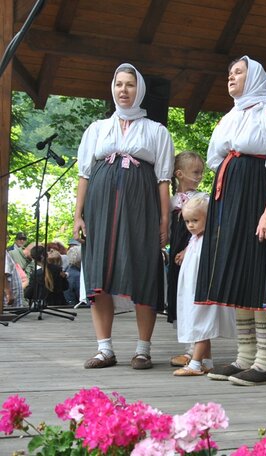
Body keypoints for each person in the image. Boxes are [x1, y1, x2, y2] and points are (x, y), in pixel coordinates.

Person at [195, 56, 266, 387]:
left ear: (254, 78)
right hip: (231, 199)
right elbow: (215, 159)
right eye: (229, 73)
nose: (231, 77)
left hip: (256, 196)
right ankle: (244, 357)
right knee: (237, 274)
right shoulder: (231, 116)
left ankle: (265, 362)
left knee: (256, 275)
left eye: (239, 72)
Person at [74, 63, 175, 370]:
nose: (123, 90)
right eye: (119, 84)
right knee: (99, 273)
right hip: (100, 208)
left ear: (139, 89)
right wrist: (78, 215)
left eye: (130, 84)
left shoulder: (156, 131)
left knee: (144, 268)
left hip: (141, 206)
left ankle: (143, 349)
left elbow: (163, 180)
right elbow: (84, 174)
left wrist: (164, 219)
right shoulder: (97, 129)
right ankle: (104, 349)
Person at [174, 194, 236, 376]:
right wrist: (185, 251)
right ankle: (207, 361)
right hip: (191, 288)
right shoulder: (196, 239)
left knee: (200, 322)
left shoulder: (211, 239)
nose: (190, 225)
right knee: (197, 320)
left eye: (195, 220)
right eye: (187, 221)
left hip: (201, 288)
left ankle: (194, 363)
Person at [166, 151, 206, 368]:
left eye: (201, 172)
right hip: (176, 256)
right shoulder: (172, 202)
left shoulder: (201, 201)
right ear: (180, 174)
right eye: (196, 173)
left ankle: (193, 350)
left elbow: (202, 231)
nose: (200, 177)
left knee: (192, 297)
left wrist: (188, 250)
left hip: (192, 255)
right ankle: (190, 348)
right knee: (179, 297)